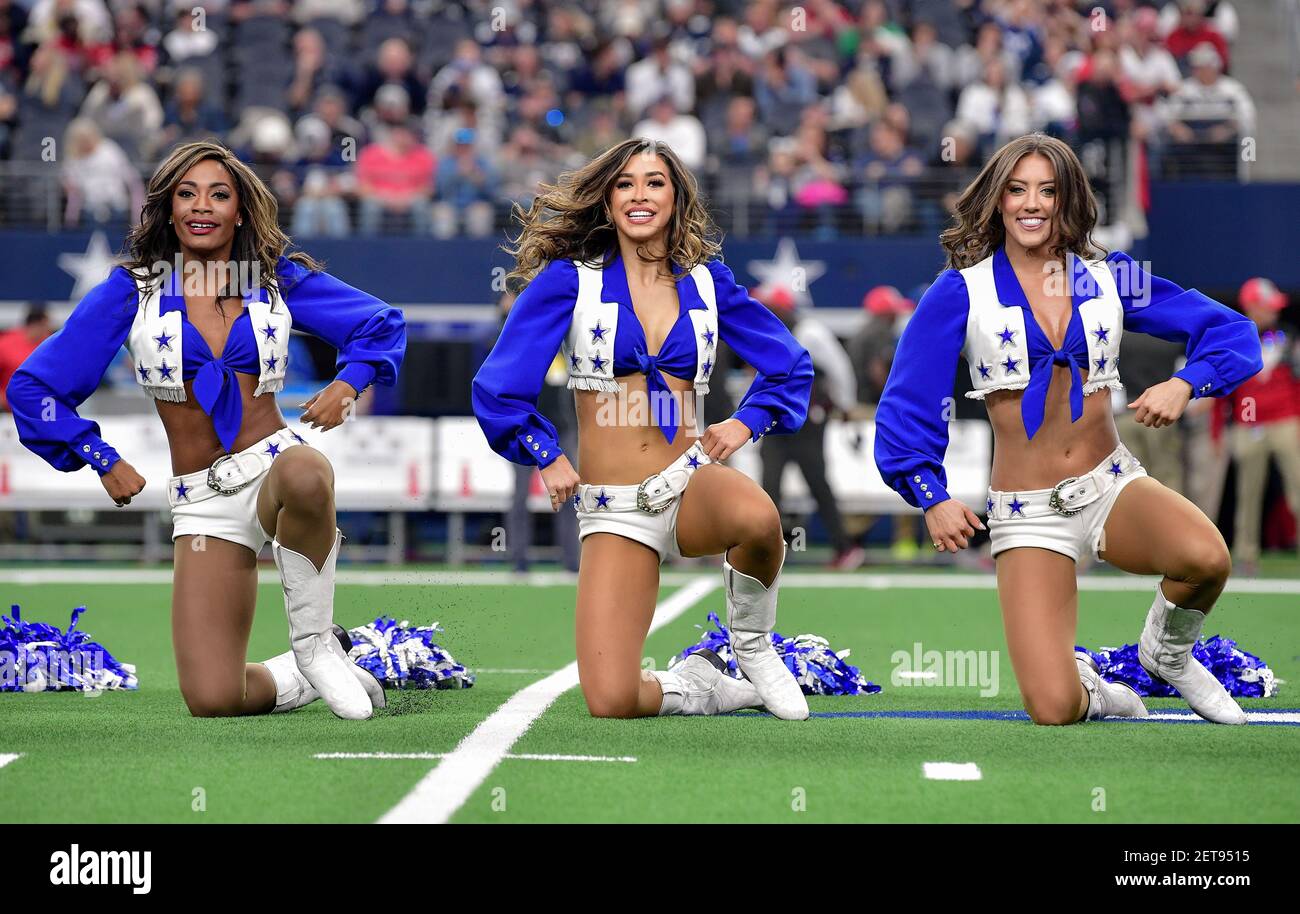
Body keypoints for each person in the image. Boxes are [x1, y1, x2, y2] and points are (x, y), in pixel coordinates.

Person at [7, 140, 406, 719]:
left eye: (219, 195)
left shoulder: (275, 280)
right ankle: (312, 668)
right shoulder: (131, 291)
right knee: (215, 698)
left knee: (306, 469)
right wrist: (97, 454)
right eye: (186, 194)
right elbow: (34, 389)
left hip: (275, 466)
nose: (202, 206)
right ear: (167, 208)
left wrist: (348, 384)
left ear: (240, 210)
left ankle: (315, 643)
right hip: (201, 501)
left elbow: (379, 322)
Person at [873, 134, 1261, 726]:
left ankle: (1167, 652)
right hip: (1027, 513)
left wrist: (1189, 383)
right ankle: (1097, 691)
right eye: (1018, 189)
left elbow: (1232, 331)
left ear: (1067, 200)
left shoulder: (1112, 277)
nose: (1033, 204)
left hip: (1111, 486)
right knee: (1054, 709)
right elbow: (908, 404)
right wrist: (932, 496)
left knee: (1206, 559)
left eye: (1048, 190)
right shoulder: (960, 290)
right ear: (998, 201)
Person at [473, 138, 814, 720]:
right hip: (612, 507)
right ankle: (702, 685)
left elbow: (789, 364)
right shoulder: (567, 281)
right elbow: (499, 385)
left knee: (760, 519)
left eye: (655, 183)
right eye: (625, 184)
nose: (639, 195)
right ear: (607, 202)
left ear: (676, 197)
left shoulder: (710, 282)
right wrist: (546, 453)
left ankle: (753, 647)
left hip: (690, 483)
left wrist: (745, 421)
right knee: (611, 700)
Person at [758, 285, 865, 570]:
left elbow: (838, 367)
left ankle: (845, 547)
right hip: (774, 422)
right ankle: (769, 552)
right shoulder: (763, 333)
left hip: (807, 421)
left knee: (818, 484)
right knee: (768, 489)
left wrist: (846, 406)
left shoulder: (810, 331)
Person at [1224, 278, 1300, 575]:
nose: (1274, 313)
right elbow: (1227, 388)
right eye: (1268, 307)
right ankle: (1246, 555)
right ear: (1252, 307)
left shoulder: (1289, 337)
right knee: (1248, 492)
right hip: (1248, 423)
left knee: (1298, 487)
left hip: (1285, 421)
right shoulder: (1233, 337)